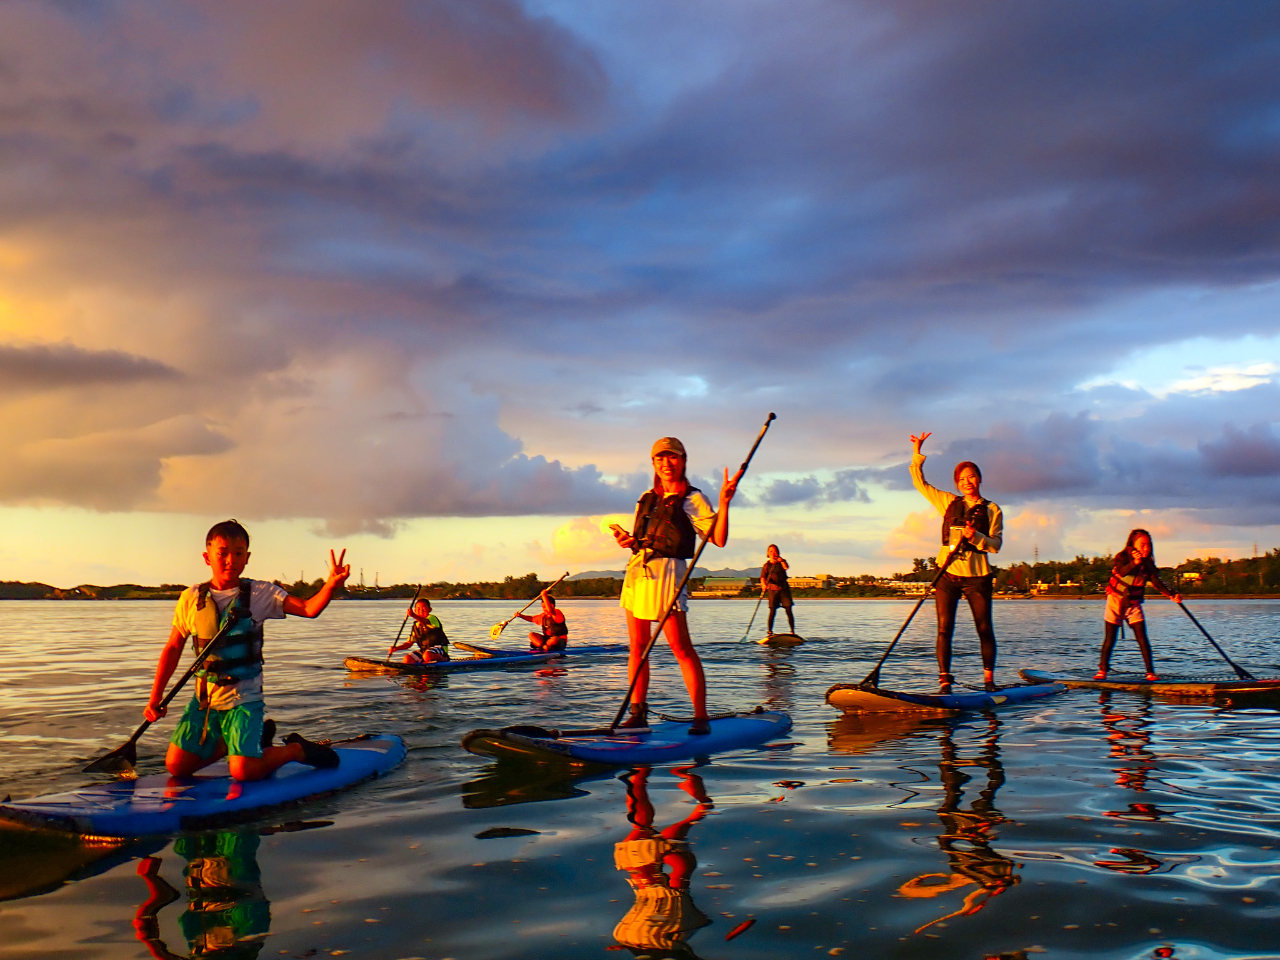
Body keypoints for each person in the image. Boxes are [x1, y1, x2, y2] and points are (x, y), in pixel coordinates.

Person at [144, 519, 351, 781]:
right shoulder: (190, 598)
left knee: (244, 772)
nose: (230, 560)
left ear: (247, 558)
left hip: (244, 699)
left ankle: (296, 750)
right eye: (223, 553)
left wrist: (331, 585)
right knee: (177, 767)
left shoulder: (261, 594)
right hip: (205, 701)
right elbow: (173, 647)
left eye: (238, 553)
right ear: (207, 558)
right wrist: (155, 697)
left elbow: (309, 609)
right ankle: (240, 744)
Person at [611, 437, 740, 735]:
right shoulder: (646, 497)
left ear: (683, 461)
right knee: (638, 648)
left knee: (680, 647)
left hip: (668, 575)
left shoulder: (693, 499)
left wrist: (724, 502)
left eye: (672, 458)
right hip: (638, 573)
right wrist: (627, 541)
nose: (666, 464)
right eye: (660, 459)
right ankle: (638, 713)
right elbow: (640, 539)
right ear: (654, 463)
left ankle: (700, 716)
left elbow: (718, 539)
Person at [909, 432, 1003, 694]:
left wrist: (978, 537)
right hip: (947, 574)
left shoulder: (992, 509)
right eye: (962, 479)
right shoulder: (949, 502)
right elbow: (921, 484)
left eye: (971, 476)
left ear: (979, 478)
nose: (967, 482)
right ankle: (945, 681)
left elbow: (996, 546)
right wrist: (917, 452)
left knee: (984, 628)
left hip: (977, 575)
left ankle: (988, 681)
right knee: (943, 628)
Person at [1095, 529, 1181, 681]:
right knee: (1110, 638)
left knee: (1142, 638)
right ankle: (1102, 670)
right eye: (1142, 545)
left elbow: (1156, 582)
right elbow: (1122, 572)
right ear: (1133, 545)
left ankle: (1150, 673)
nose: (1146, 549)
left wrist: (1171, 594)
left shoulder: (1148, 565)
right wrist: (1135, 562)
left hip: (1133, 604)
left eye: (1148, 545)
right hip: (1115, 601)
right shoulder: (1122, 557)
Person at [390, 598, 449, 663]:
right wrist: (396, 648)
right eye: (418, 609)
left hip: (439, 648)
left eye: (424, 608)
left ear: (430, 609)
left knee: (427, 655)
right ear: (415, 610)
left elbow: (425, 622)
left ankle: (443, 659)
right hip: (424, 650)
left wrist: (413, 615)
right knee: (407, 659)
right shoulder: (416, 626)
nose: (421, 610)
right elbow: (409, 643)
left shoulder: (432, 618)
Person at [760, 544, 795, 635]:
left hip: (783, 589)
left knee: (788, 610)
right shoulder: (766, 565)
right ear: (768, 553)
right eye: (771, 551)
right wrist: (763, 584)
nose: (773, 553)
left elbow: (786, 567)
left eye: (775, 551)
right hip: (773, 589)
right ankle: (770, 631)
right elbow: (763, 577)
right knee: (772, 611)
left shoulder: (782, 562)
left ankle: (792, 631)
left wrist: (781, 560)